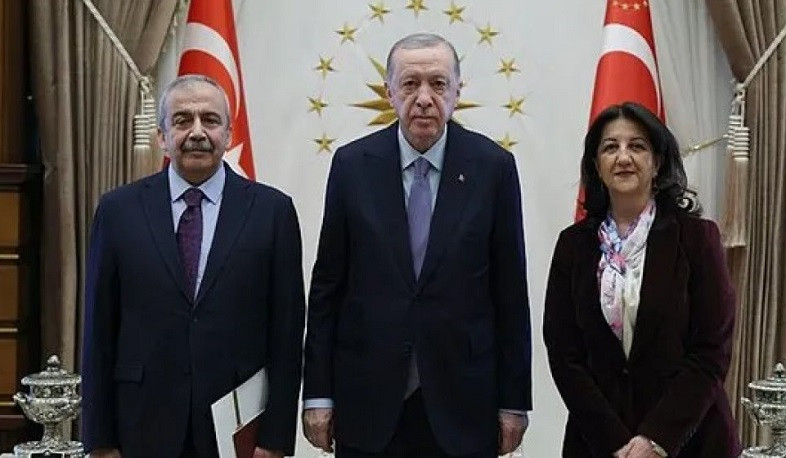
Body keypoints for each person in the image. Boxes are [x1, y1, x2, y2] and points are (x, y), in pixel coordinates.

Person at [301, 33, 532, 458]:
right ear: (389, 92)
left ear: (457, 92)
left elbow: (510, 293)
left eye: (438, 84)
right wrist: (317, 393)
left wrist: (514, 402)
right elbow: (327, 288)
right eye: (410, 84)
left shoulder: (493, 168)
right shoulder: (352, 166)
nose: (424, 98)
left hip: (464, 403)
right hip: (367, 401)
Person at [81, 74, 305, 458]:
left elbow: (286, 334)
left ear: (229, 134)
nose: (197, 132)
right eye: (182, 120)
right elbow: (99, 329)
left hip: (236, 429)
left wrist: (275, 439)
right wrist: (100, 440)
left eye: (210, 120)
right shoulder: (118, 211)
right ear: (162, 137)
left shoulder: (273, 212)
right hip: (141, 425)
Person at [543, 101, 742, 457]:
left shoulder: (697, 239)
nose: (623, 157)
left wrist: (655, 439)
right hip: (599, 444)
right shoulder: (573, 246)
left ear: (658, 162)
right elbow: (564, 354)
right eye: (610, 147)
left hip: (689, 442)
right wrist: (615, 441)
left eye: (637, 146)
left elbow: (711, 351)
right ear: (596, 165)